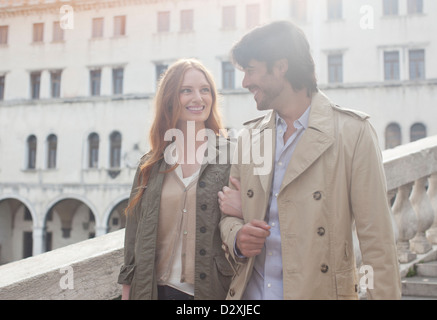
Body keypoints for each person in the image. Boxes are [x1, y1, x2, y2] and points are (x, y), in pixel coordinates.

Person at [218, 21, 401, 300]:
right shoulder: (249, 138)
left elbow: (377, 242)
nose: (245, 82)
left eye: (251, 70)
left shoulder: (353, 133)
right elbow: (228, 217)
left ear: (281, 66)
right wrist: (237, 237)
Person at [118, 58, 235, 300]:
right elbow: (134, 236)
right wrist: (127, 292)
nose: (198, 98)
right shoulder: (150, 164)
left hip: (208, 293)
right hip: (152, 292)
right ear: (170, 98)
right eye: (186, 90)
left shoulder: (233, 157)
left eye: (205, 90)